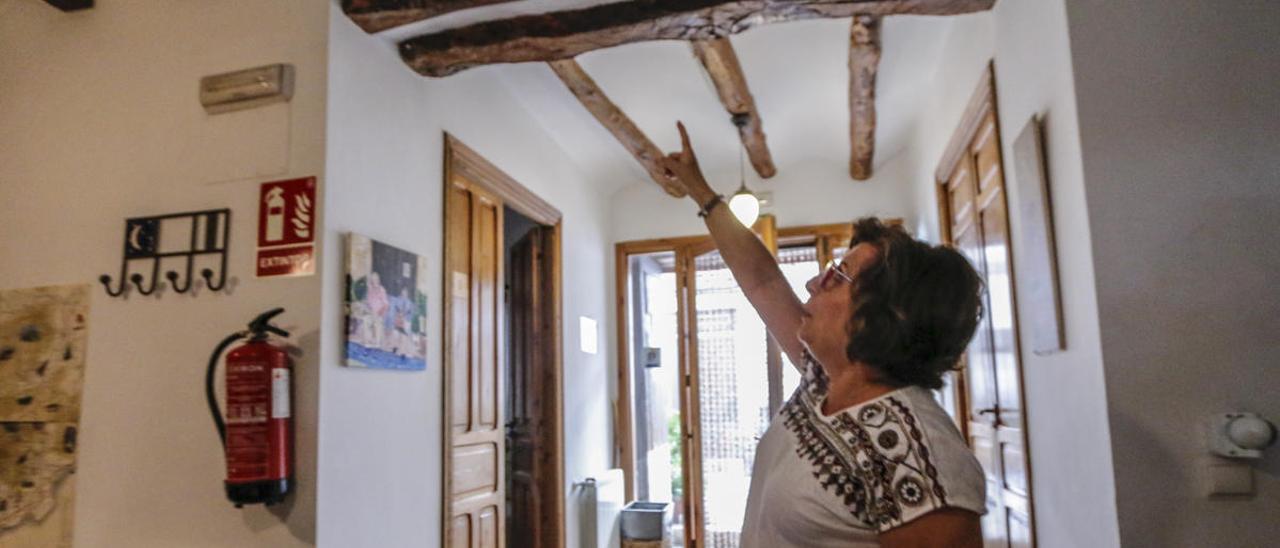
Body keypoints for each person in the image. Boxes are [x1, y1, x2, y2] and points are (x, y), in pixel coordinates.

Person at [661, 122, 987, 547]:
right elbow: (762, 281)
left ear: (887, 313)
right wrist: (699, 191)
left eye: (838, 276)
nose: (814, 283)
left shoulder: (923, 459)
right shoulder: (825, 381)